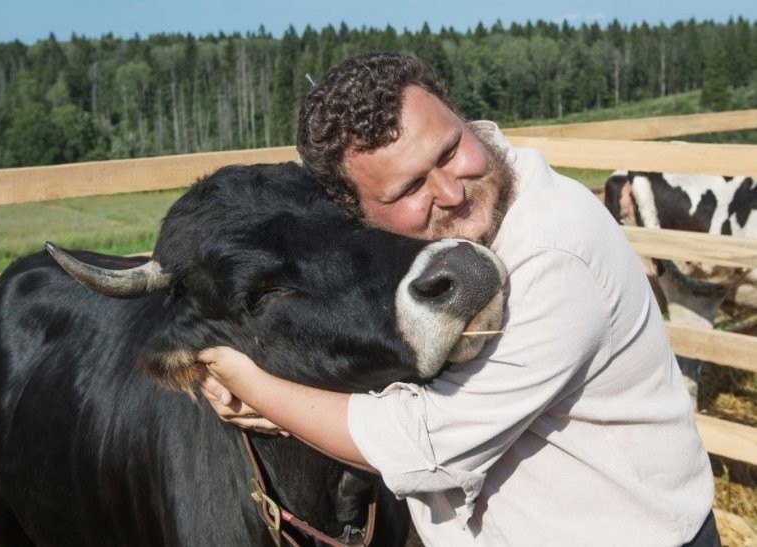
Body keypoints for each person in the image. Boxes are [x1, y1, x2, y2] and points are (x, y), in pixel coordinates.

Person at [199, 52, 719, 546]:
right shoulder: (416, 254)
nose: (452, 192)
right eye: (409, 189)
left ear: (463, 118)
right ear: (353, 212)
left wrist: (256, 387)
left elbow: (427, 447)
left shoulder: (554, 252)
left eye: (449, 151)